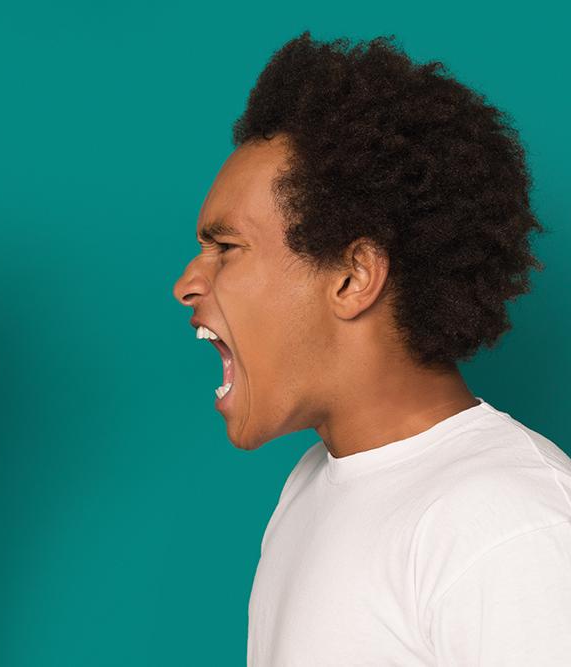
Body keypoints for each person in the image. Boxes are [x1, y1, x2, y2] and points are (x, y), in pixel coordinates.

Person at [173, 32, 571, 665]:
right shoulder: (309, 486)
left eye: (225, 248)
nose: (187, 282)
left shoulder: (511, 526)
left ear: (353, 276)